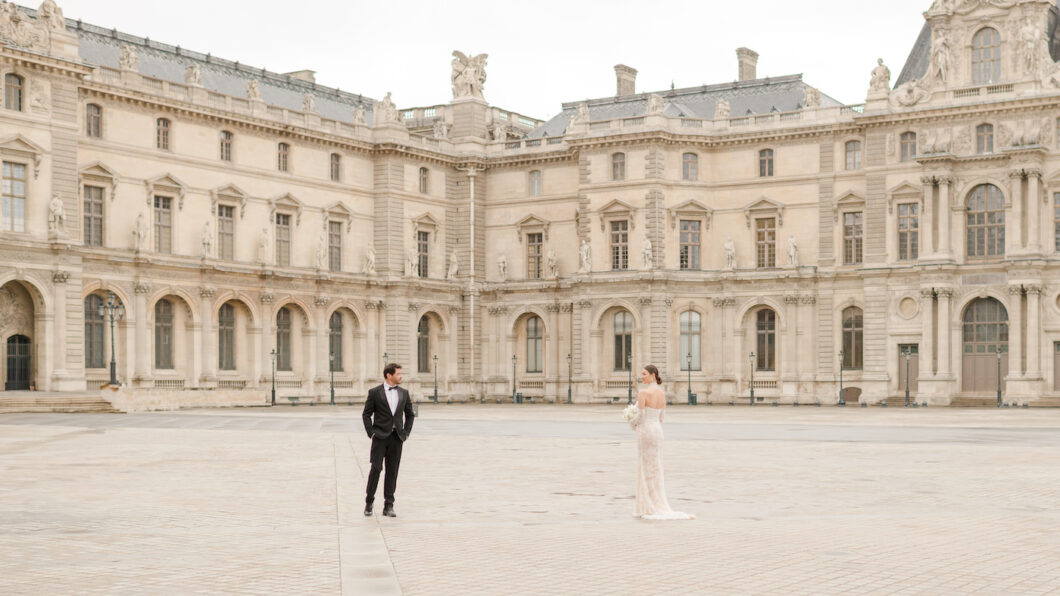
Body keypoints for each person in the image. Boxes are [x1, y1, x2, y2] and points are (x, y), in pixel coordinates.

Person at [630, 365, 694, 520]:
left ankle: (648, 504)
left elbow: (640, 416)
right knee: (656, 467)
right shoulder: (661, 393)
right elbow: (661, 418)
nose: (642, 377)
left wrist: (631, 422)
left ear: (652, 375)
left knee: (645, 467)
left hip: (646, 431)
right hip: (657, 431)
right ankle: (656, 500)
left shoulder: (643, 392)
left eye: (644, 374)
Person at [362, 363, 415, 517]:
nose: (401, 376)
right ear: (388, 375)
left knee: (392, 472)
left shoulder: (404, 393)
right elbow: (366, 414)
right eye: (398, 374)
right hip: (379, 437)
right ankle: (369, 502)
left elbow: (410, 414)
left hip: (396, 438)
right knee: (376, 469)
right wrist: (371, 432)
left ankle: (389, 505)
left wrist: (405, 433)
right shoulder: (374, 392)